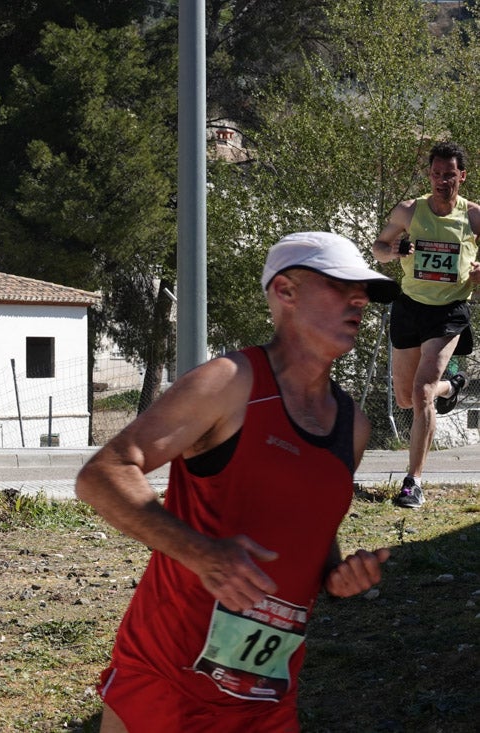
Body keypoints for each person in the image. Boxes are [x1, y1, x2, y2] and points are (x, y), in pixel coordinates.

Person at [75, 232, 394, 732]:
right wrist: (202, 553)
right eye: (340, 286)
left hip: (265, 694)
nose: (359, 300)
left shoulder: (352, 424)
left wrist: (337, 575)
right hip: (167, 676)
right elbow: (105, 473)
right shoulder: (231, 383)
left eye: (364, 292)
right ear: (285, 291)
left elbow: (306, 526)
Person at [372, 140, 480, 508]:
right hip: (410, 307)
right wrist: (395, 250)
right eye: (436, 174)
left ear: (461, 177)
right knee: (406, 398)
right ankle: (452, 386)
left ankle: (413, 481)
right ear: (429, 175)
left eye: (449, 175)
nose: (441, 181)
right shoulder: (408, 211)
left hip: (449, 312)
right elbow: (378, 249)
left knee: (421, 391)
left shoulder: (474, 217)